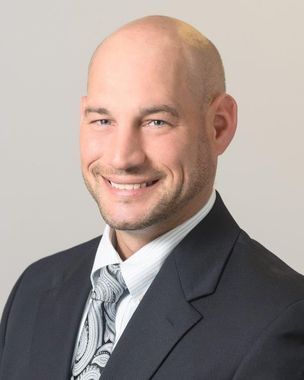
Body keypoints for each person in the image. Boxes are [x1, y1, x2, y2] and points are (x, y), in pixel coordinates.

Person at [0, 15, 304, 380]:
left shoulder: (280, 318)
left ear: (219, 125)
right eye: (103, 120)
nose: (121, 158)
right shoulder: (35, 290)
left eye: (156, 121)